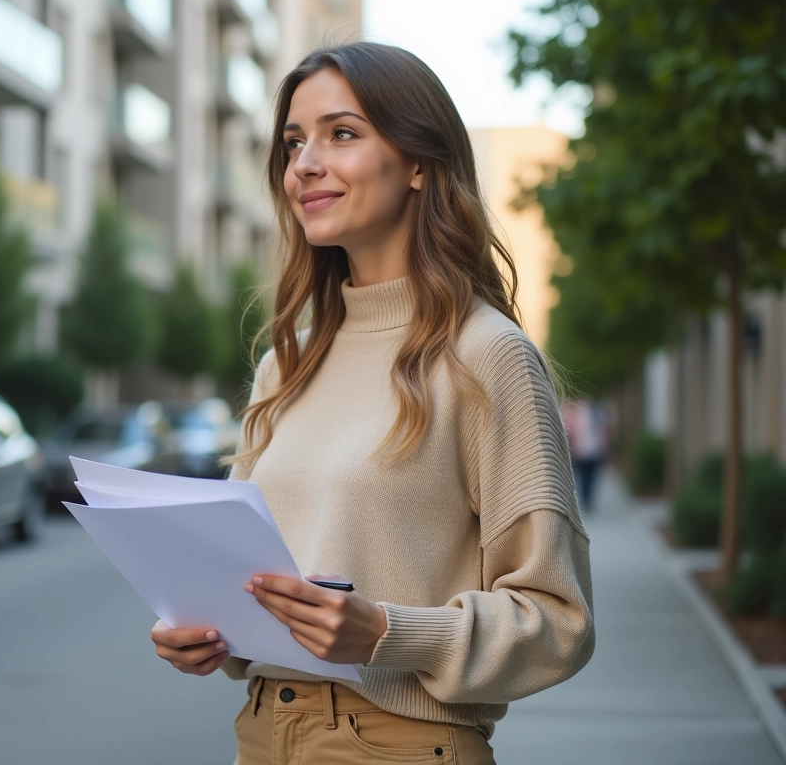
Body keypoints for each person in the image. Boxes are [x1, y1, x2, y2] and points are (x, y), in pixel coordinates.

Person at [149, 43, 594, 764]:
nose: (305, 164)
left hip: (400, 744)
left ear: (419, 163)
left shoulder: (487, 355)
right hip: (263, 733)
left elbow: (557, 619)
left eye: (342, 134)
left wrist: (386, 632)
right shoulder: (284, 364)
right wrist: (206, 630)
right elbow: (248, 572)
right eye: (294, 143)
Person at [562, 397, 607, 512]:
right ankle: (585, 498)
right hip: (581, 451)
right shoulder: (575, 418)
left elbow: (602, 432)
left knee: (590, 476)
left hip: (593, 451)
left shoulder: (596, 416)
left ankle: (587, 498)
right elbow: (571, 433)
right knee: (583, 476)